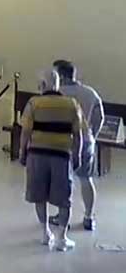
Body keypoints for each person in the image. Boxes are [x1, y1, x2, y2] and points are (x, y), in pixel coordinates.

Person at [20, 68, 88, 252]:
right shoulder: (72, 104)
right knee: (64, 199)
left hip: (37, 155)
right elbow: (79, 134)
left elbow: (25, 131)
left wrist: (22, 152)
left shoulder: (33, 103)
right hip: (61, 156)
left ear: (43, 85)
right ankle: (61, 238)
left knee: (39, 195)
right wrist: (77, 155)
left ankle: (45, 233)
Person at [53, 59, 104, 231]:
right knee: (86, 179)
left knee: (62, 180)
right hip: (86, 140)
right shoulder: (90, 93)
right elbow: (100, 117)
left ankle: (62, 217)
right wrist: (92, 135)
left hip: (62, 141)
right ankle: (89, 217)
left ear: (61, 76)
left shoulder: (57, 93)